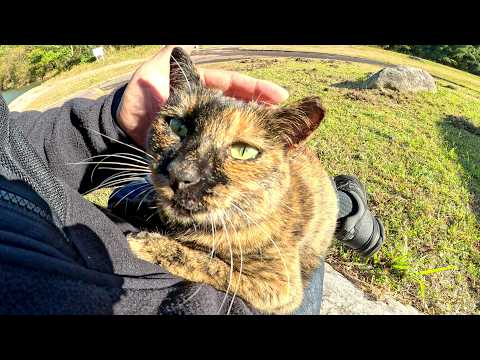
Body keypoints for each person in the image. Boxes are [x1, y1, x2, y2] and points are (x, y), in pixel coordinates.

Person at [0, 45, 384, 315]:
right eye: (179, 126)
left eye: (243, 150)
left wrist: (179, 257)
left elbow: (281, 293)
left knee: (326, 213)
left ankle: (346, 205)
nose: (184, 171)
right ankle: (348, 203)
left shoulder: (256, 228)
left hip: (297, 224)